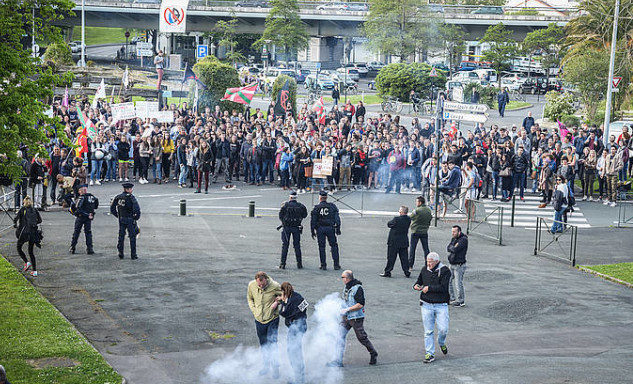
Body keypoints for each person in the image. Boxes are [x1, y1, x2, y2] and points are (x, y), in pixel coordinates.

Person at [330, 270, 378, 367]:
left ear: (347, 278)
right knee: (339, 337)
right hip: (346, 317)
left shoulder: (358, 288)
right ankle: (338, 361)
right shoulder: (347, 287)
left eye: (342, 277)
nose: (342, 279)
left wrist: (347, 309)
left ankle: (373, 353)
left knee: (362, 338)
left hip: (356, 318)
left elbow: (360, 304)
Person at [413, 252, 451, 363]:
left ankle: (441, 342)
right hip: (426, 304)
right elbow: (419, 281)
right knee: (428, 331)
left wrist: (429, 288)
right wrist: (416, 285)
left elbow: (443, 287)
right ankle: (430, 353)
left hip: (441, 305)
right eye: (427, 262)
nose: (428, 264)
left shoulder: (445, 271)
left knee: (443, 329)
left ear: (437, 261)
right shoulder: (424, 269)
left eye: (431, 262)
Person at [247, 271, 282, 379]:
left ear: (266, 279)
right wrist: (254, 311)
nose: (261, 286)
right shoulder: (251, 285)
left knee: (272, 344)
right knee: (263, 345)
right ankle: (266, 366)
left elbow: (284, 296)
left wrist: (277, 302)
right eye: (259, 284)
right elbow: (250, 298)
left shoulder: (275, 286)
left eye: (262, 284)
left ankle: (276, 369)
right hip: (259, 320)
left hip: (272, 320)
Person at [278, 282, 308, 384]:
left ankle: (298, 379)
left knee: (293, 353)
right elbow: (304, 308)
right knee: (297, 352)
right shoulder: (299, 296)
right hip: (302, 325)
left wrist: (283, 302)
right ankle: (300, 377)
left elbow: (283, 312)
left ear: (284, 291)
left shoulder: (289, 301)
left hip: (295, 328)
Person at [310, 190, 341, 270]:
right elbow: (337, 218)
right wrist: (338, 228)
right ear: (326, 197)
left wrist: (312, 231)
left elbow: (313, 220)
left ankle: (323, 265)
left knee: (321, 247)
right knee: (334, 246)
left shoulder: (316, 208)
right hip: (330, 228)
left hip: (320, 229)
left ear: (320, 198)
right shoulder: (332, 206)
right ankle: (336, 264)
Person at [110, 183, 141, 259]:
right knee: (132, 237)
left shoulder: (118, 197)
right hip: (130, 219)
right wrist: (136, 218)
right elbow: (136, 209)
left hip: (122, 219)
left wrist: (118, 215)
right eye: (130, 189)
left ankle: (121, 252)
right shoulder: (131, 198)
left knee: (121, 236)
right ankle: (133, 254)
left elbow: (112, 208)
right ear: (127, 189)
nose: (131, 190)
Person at [278, 191, 308, 269]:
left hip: (287, 227)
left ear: (290, 197)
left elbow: (280, 215)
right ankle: (299, 263)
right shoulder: (301, 206)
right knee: (297, 245)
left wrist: (284, 221)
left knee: (285, 245)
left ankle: (282, 263)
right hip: (296, 227)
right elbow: (305, 215)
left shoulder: (285, 206)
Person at [13, 196, 42, 277]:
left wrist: (16, 225)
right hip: (33, 232)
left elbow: (15, 219)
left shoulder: (22, 209)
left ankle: (26, 262)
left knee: (19, 247)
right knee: (31, 251)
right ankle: (35, 271)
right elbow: (40, 220)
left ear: (24, 202)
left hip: (24, 232)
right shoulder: (35, 209)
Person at [380, 205, 411, 278]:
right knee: (404, 258)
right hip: (403, 241)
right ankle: (406, 271)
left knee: (391, 257)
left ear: (401, 211)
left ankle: (388, 271)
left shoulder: (396, 219)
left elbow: (389, 224)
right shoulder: (408, 219)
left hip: (394, 241)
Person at [69, 184, 99, 255]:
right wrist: (90, 214)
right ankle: (89, 248)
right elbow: (96, 205)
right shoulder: (92, 197)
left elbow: (78, 208)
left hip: (81, 217)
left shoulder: (82, 197)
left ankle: (73, 247)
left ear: (80, 191)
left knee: (76, 232)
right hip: (89, 217)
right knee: (88, 232)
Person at [408, 196, 432, 271]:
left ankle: (410, 265)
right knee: (426, 249)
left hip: (415, 230)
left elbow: (410, 217)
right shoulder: (428, 209)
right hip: (424, 231)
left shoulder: (417, 210)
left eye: (417, 202)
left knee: (412, 249)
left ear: (420, 202)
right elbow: (430, 218)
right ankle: (428, 264)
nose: (416, 203)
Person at [447, 225, 468, 307]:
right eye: (452, 231)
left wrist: (452, 247)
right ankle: (452, 298)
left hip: (459, 265)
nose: (452, 233)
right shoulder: (454, 238)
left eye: (454, 232)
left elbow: (454, 249)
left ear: (459, 232)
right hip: (452, 263)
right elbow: (448, 247)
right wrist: (452, 247)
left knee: (458, 283)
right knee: (448, 280)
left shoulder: (463, 240)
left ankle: (461, 300)